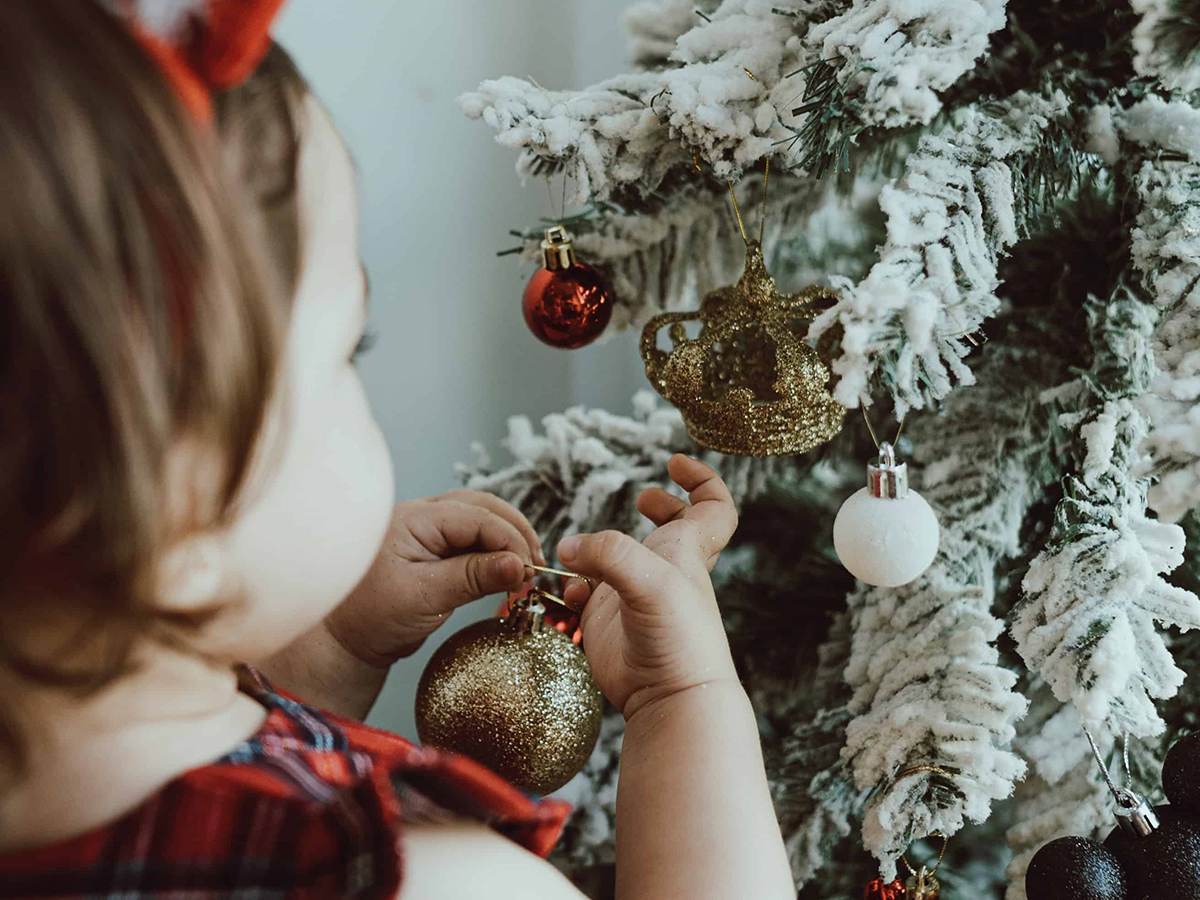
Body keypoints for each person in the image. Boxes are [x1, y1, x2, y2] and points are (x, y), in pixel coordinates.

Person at [0, 2, 794, 898]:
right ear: (168, 510)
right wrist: (682, 704)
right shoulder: (424, 880)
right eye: (348, 350)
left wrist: (331, 646)